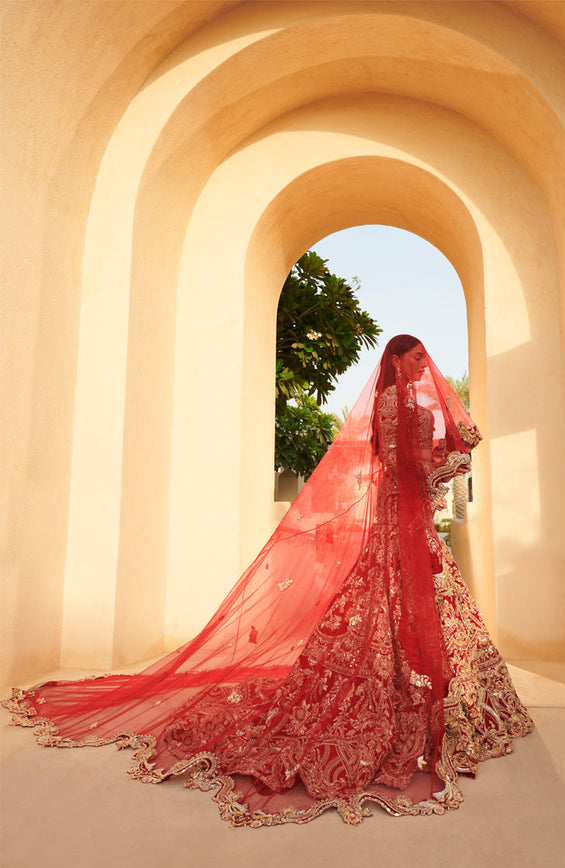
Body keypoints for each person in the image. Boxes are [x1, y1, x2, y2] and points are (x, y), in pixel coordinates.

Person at [3, 335, 533, 827]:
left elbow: (399, 468)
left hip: (398, 522)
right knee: (410, 606)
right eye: (417, 357)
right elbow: (418, 470)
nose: (425, 366)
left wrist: (444, 459)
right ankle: (419, 702)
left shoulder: (384, 409)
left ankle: (405, 689)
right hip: (407, 525)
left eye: (424, 358)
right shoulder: (409, 407)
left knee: (393, 608)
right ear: (396, 360)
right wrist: (460, 452)